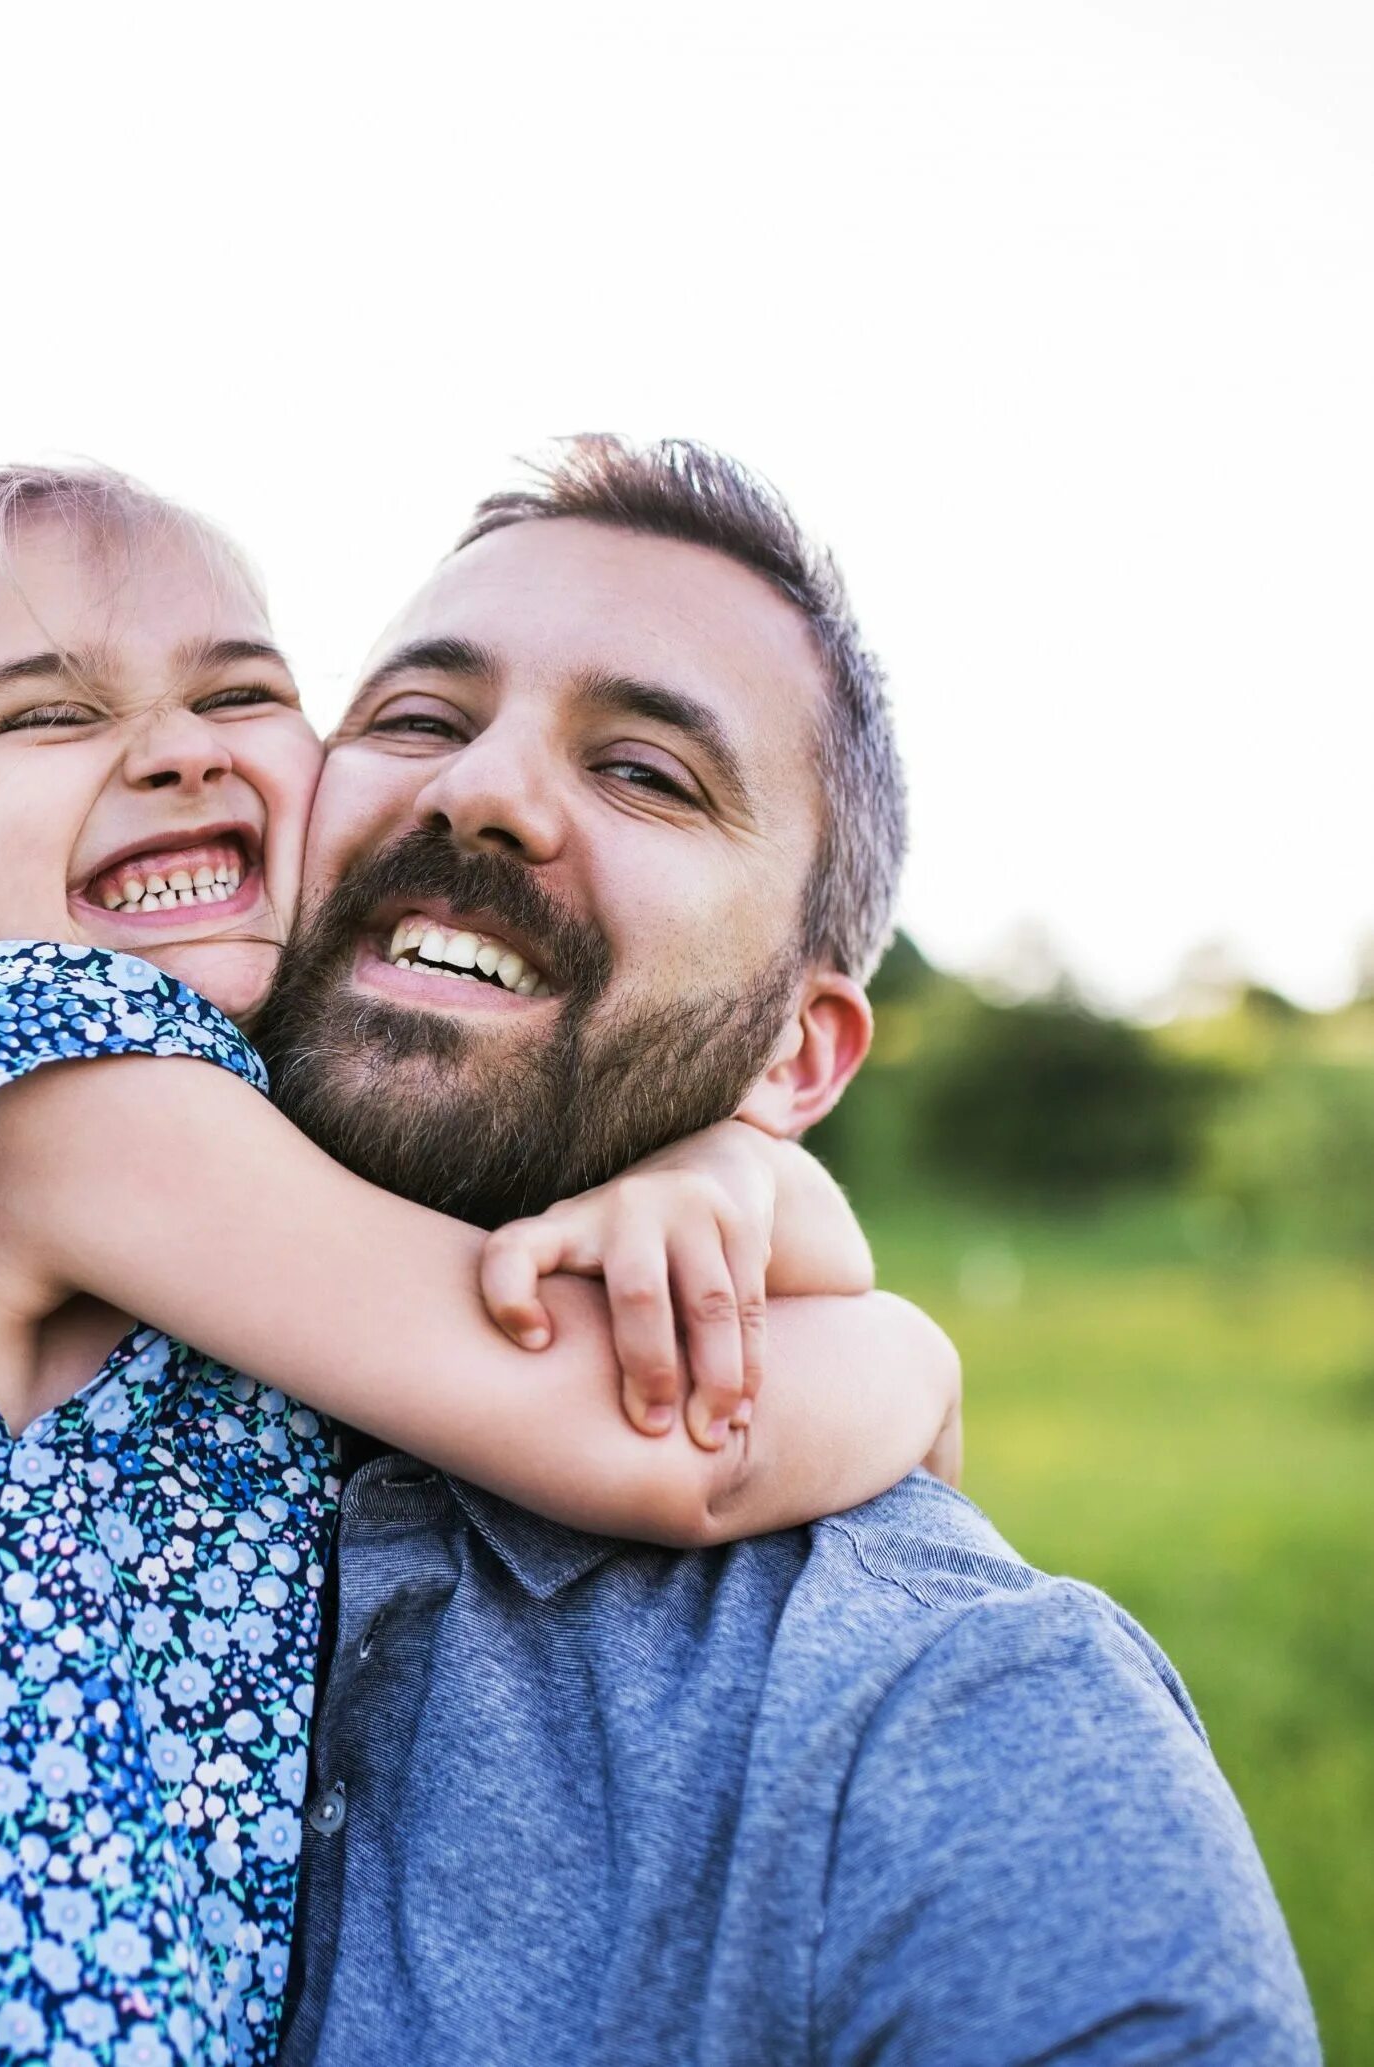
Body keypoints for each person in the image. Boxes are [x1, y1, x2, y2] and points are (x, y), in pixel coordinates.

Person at [0, 464, 958, 2067]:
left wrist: (720, 1170)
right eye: (48, 715)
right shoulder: (39, 1070)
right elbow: (648, 1429)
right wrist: (915, 1358)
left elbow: (597, 1244)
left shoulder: (253, 1149)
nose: (180, 749)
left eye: (242, 692)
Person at [260, 435, 1321, 2065]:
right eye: (415, 718)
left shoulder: (959, 1718)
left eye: (645, 772)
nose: (478, 790)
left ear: (795, 1060)